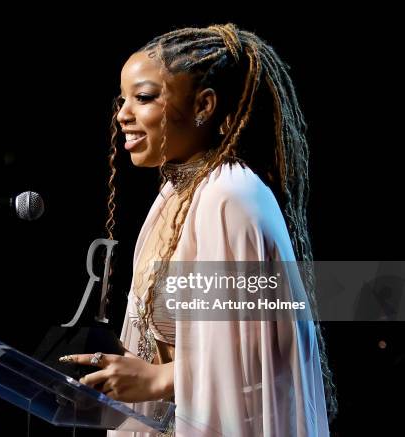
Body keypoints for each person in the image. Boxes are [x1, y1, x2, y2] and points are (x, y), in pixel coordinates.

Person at [60, 23, 335, 436]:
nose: (123, 115)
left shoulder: (231, 195)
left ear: (204, 105)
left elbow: (270, 345)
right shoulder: (173, 196)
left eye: (144, 98)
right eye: (123, 100)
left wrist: (160, 379)